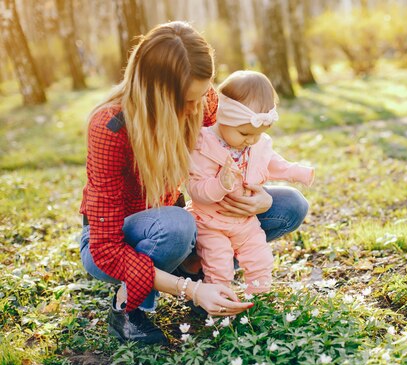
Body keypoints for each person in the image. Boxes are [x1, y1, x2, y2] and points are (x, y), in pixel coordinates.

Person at [79, 22, 310, 345]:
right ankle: (127, 307)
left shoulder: (203, 101)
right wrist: (190, 291)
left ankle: (206, 272)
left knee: (290, 205)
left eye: (203, 94)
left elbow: (240, 147)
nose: (199, 109)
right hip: (119, 242)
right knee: (176, 226)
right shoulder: (111, 127)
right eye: (187, 101)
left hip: (187, 226)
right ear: (155, 93)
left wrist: (261, 201)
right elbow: (105, 249)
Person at [186, 71, 314, 294]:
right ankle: (217, 299)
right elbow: (195, 189)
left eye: (257, 134)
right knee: (219, 264)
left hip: (245, 220)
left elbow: (270, 161)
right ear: (224, 118)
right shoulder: (203, 144)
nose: (251, 140)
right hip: (210, 221)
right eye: (244, 133)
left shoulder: (255, 144)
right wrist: (219, 184)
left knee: (260, 258)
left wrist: (296, 172)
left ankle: (258, 297)